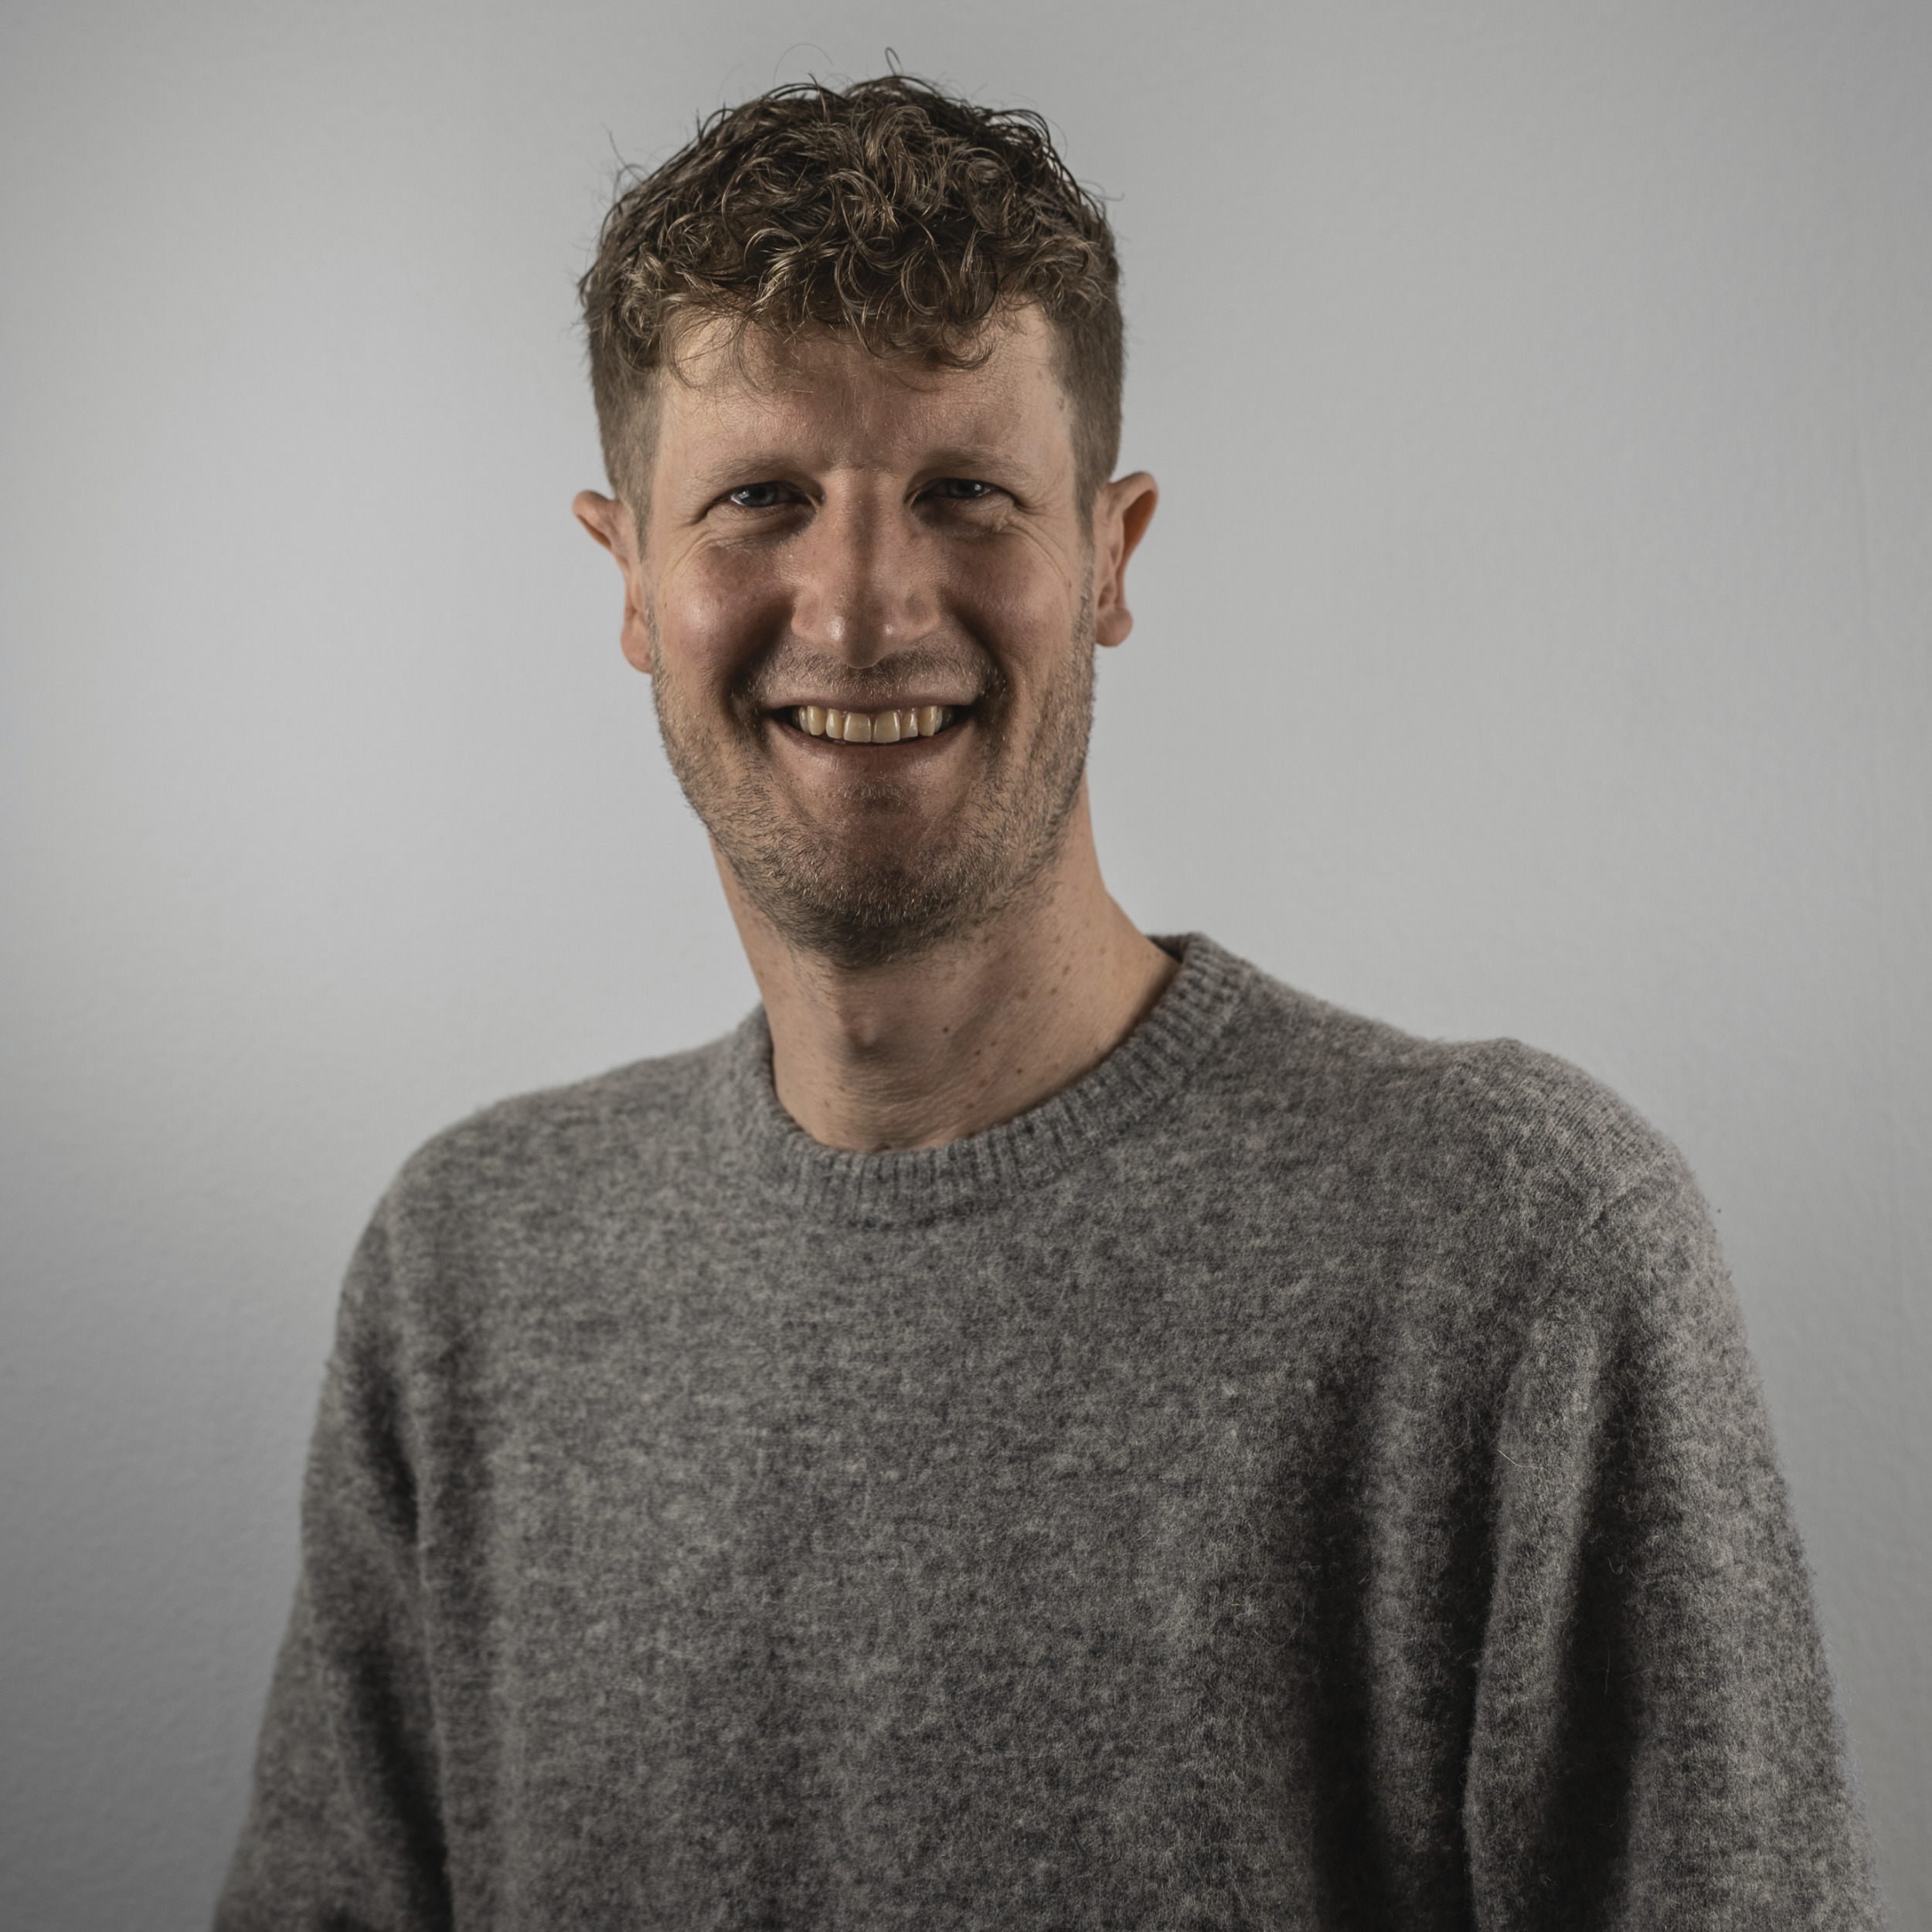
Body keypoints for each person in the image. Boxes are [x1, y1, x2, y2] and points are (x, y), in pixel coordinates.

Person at [216, 75, 1883, 1930]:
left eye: (964, 494)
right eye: (760, 498)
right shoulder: (468, 1270)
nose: (858, 608)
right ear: (628, 576)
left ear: (1108, 554)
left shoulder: (1516, 1248)